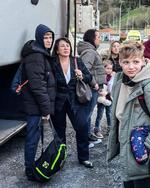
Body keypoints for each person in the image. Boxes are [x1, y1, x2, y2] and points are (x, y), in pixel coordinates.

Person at [107, 42, 150, 188]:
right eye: (126, 62)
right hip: (127, 154)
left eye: (136, 61)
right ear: (119, 62)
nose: (131, 67)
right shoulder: (121, 82)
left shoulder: (149, 87)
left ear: (143, 61)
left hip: (142, 159)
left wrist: (145, 147)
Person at [51, 37, 93, 168]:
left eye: (67, 45)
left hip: (76, 100)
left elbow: (89, 77)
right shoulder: (52, 63)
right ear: (57, 50)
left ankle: (84, 158)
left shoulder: (76, 61)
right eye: (62, 46)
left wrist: (82, 76)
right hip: (58, 101)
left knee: (82, 127)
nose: (66, 48)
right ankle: (60, 158)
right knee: (59, 131)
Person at [21, 24, 56, 181]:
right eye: (45, 37)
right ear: (39, 38)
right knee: (32, 139)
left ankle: (32, 165)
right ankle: (29, 170)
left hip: (37, 105)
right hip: (35, 106)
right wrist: (46, 110)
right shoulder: (36, 56)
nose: (49, 40)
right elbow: (38, 87)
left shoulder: (41, 53)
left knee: (34, 138)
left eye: (50, 37)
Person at [77, 29, 106, 141]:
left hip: (93, 87)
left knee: (88, 113)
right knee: (87, 114)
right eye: (98, 37)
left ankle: (88, 135)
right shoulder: (90, 52)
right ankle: (84, 139)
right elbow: (84, 70)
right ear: (92, 38)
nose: (100, 39)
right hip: (91, 87)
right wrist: (94, 84)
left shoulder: (91, 50)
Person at [94, 60, 114, 137]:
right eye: (107, 68)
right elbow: (98, 86)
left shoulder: (112, 77)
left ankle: (110, 129)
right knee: (100, 114)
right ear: (103, 68)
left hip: (109, 98)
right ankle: (97, 129)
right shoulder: (100, 77)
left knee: (109, 114)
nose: (109, 70)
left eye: (110, 69)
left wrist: (108, 93)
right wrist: (100, 91)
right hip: (101, 99)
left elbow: (112, 87)